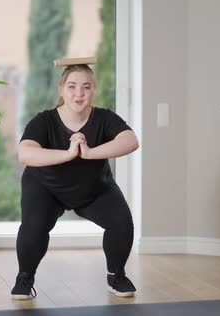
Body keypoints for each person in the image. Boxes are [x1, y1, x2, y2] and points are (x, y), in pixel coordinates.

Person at [11, 59, 139, 300]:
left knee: (121, 221)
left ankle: (116, 276)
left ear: (94, 89)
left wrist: (89, 152)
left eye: (86, 86)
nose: (79, 93)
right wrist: (69, 154)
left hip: (92, 188)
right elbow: (25, 153)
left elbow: (130, 140)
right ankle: (24, 278)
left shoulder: (104, 118)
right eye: (72, 86)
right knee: (34, 227)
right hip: (45, 187)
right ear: (61, 89)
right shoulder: (44, 120)